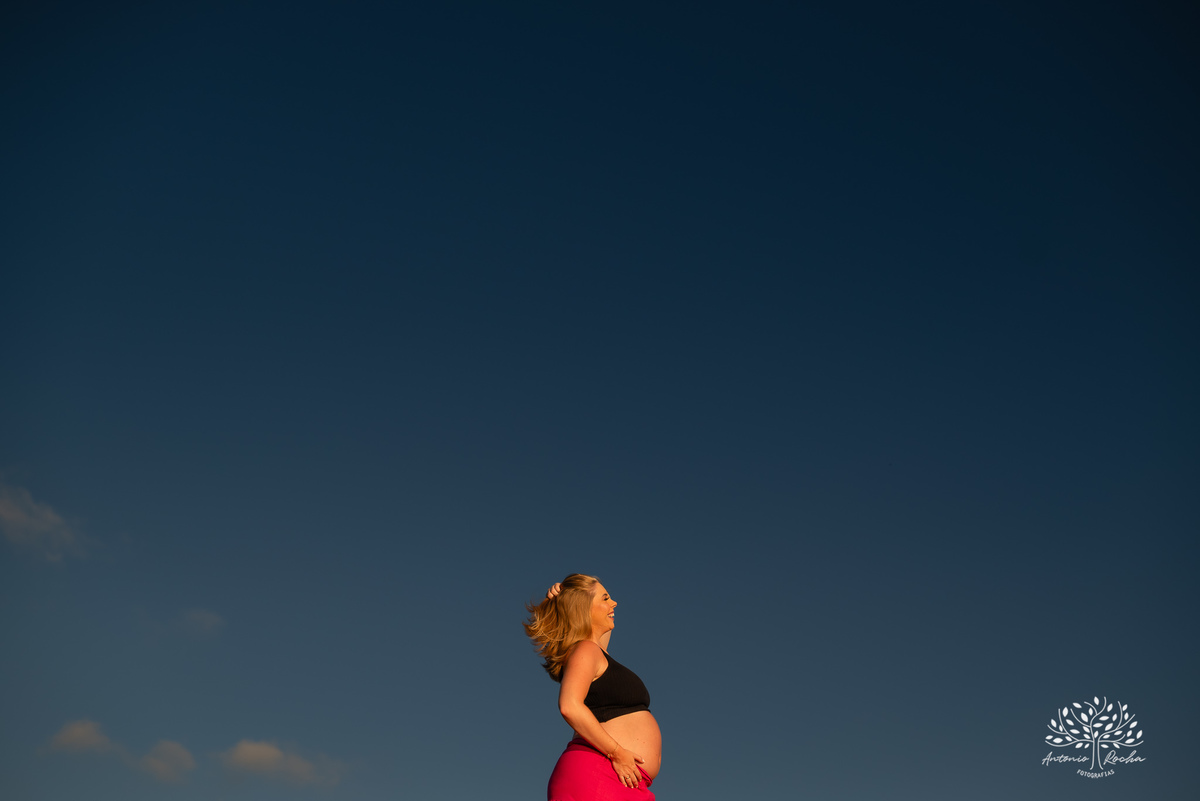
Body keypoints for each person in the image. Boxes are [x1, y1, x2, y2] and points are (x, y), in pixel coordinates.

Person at [524, 574, 661, 800]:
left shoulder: (595, 651)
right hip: (601, 772)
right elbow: (569, 705)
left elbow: (602, 633)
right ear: (584, 608)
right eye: (605, 598)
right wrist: (617, 753)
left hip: (623, 778)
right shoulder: (586, 650)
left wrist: (563, 598)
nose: (614, 603)